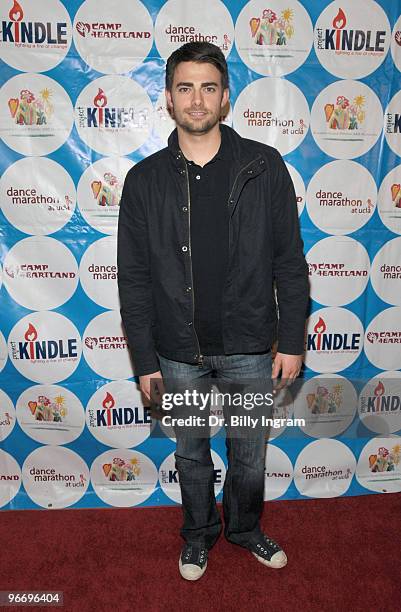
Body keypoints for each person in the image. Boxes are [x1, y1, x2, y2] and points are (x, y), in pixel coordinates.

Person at [117, 41, 309, 581]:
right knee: (191, 453)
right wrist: (145, 361)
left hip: (251, 348)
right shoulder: (144, 181)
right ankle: (198, 535)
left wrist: (291, 341)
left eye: (208, 88)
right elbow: (132, 280)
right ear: (168, 99)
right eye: (185, 88)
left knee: (249, 454)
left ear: (225, 98)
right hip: (177, 355)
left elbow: (290, 263)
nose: (196, 100)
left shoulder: (264, 167)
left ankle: (244, 528)